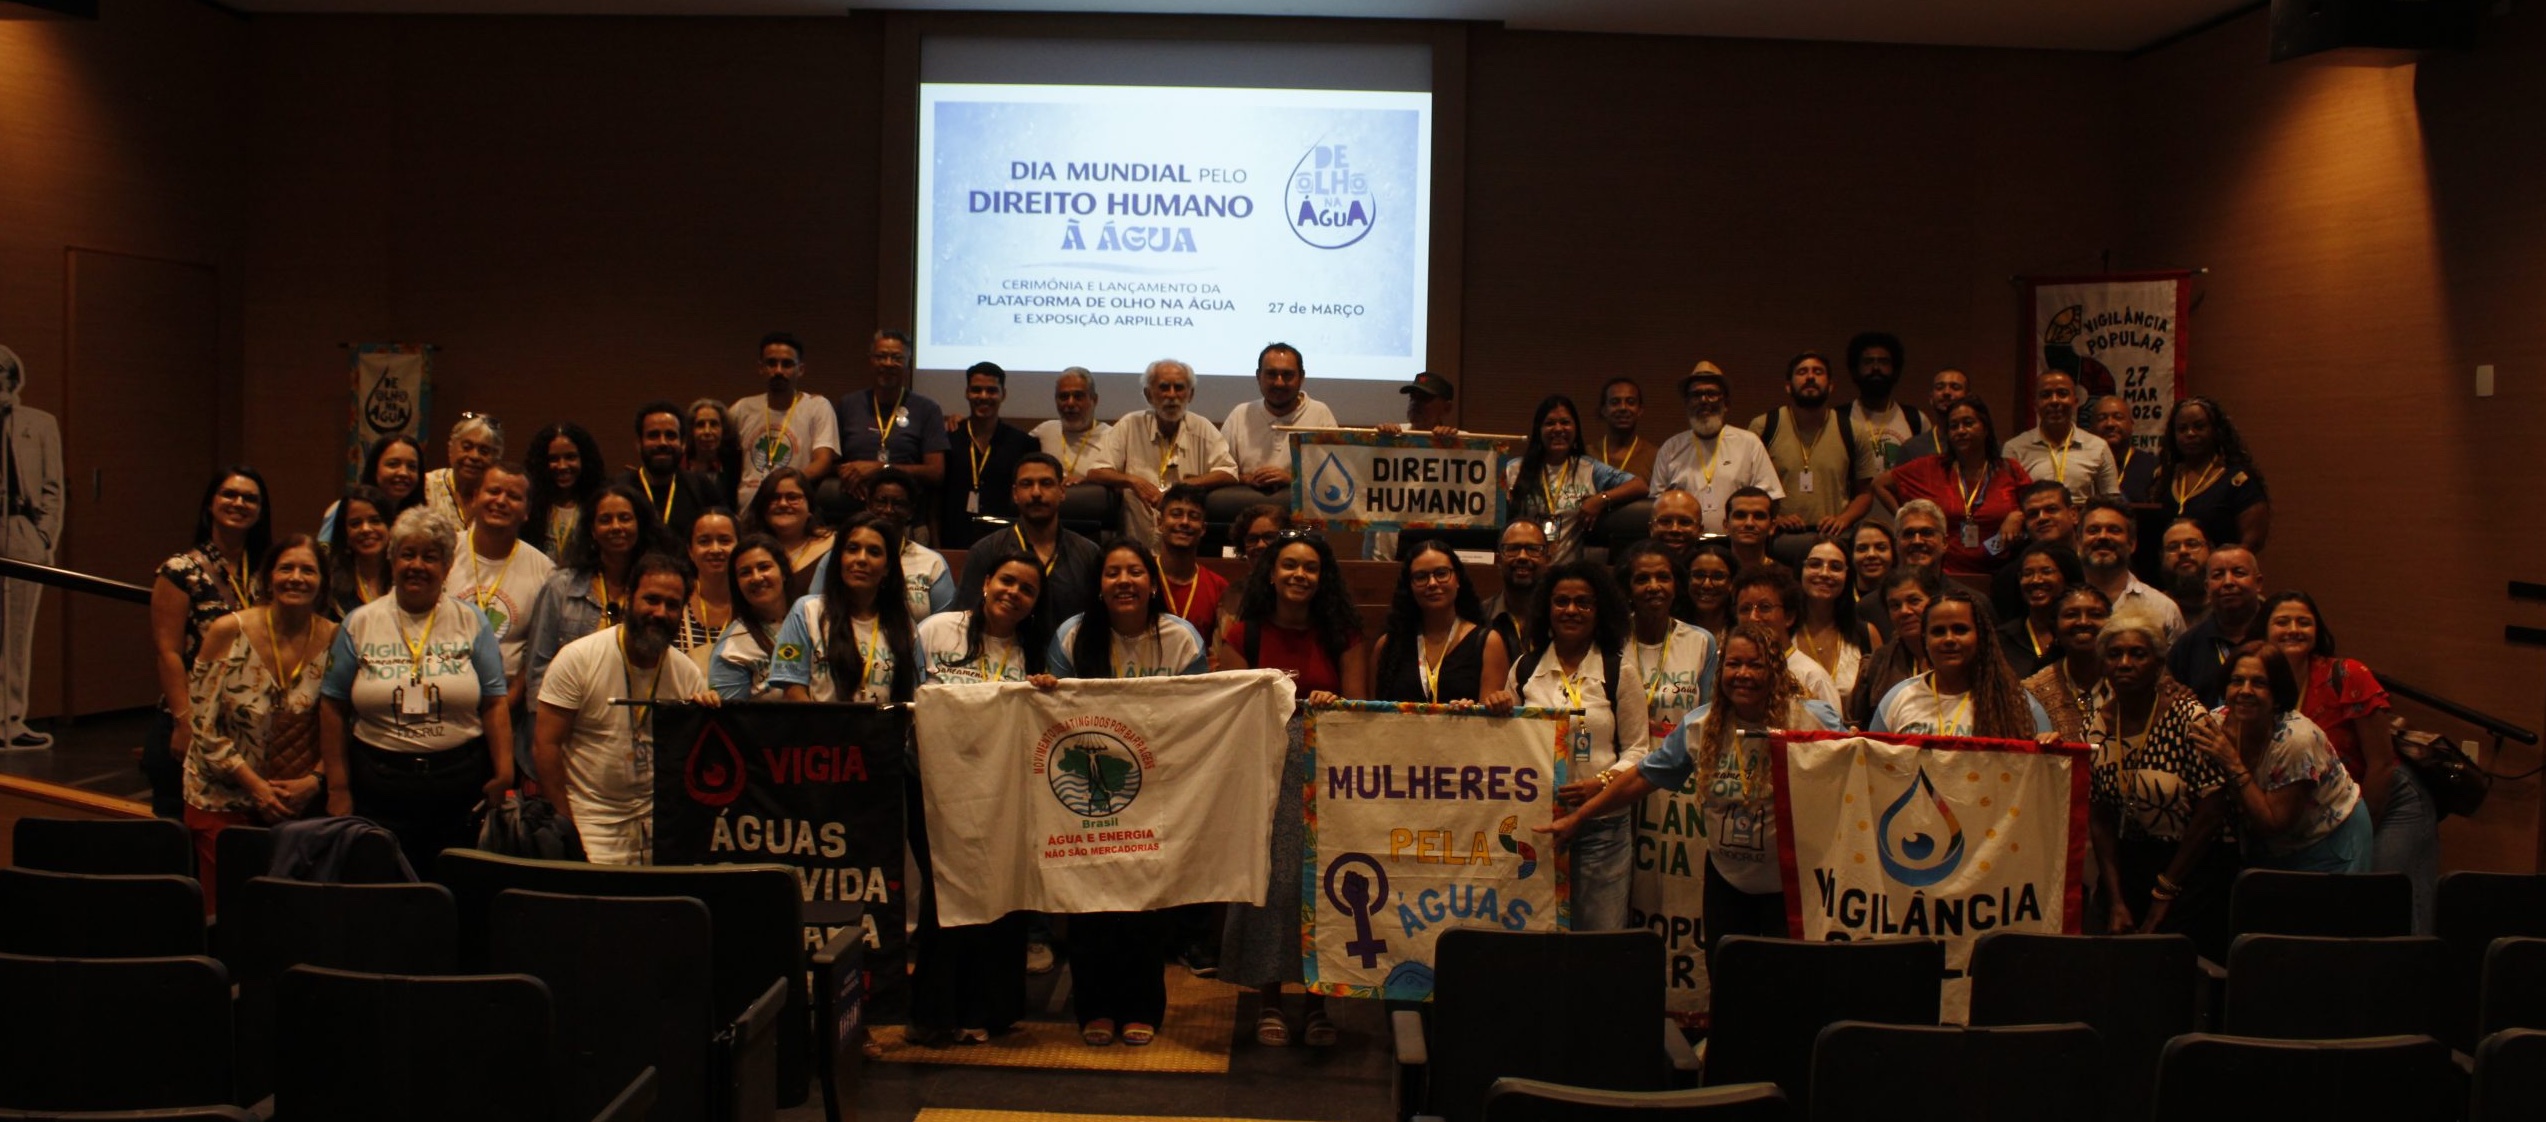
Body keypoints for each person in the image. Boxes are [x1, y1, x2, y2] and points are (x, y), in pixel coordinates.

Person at [1543, 622, 1844, 963]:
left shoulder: (1812, 720)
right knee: (1727, 977)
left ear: (1774, 670)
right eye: (1734, 664)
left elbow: (1860, 762)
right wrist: (1580, 818)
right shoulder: (1700, 725)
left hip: (1790, 884)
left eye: (1755, 665)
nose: (1743, 674)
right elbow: (1642, 777)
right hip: (1727, 881)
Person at [1035, 541, 1197, 1045]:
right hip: (1089, 793)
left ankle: (1142, 1006)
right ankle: (1095, 1007)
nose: (1124, 581)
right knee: (1091, 903)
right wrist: (1044, 691)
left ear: (1152, 583)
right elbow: (1054, 717)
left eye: (1135, 572)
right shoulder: (1073, 634)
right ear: (1098, 586)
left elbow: (1201, 712)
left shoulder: (1181, 638)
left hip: (1160, 789)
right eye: (1112, 573)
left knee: (1145, 904)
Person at [1214, 530, 1366, 1048]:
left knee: (1324, 886)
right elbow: (1230, 714)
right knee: (1273, 887)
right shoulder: (1244, 635)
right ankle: (1270, 1000)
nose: (1300, 575)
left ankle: (1319, 1004)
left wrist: (1334, 706)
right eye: (1290, 566)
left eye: (1311, 567)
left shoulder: (1342, 634)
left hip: (1329, 776)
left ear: (1323, 578)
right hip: (1266, 776)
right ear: (1272, 574)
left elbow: (1361, 711)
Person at [904, 551, 1052, 1046]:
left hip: (1003, 791)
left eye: (1027, 589)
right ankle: (934, 1014)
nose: (1014, 593)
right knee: (945, 895)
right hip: (933, 784)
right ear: (986, 582)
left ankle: (990, 1010)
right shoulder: (936, 631)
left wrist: (1046, 690)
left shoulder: (1035, 651)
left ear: (1035, 602)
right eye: (1007, 581)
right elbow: (908, 697)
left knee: (1000, 895)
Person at [319, 507, 515, 873]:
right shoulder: (359, 622)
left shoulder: (472, 620)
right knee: (383, 886)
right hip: (378, 785)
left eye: (430, 557)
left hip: (458, 786)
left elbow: (494, 701)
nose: (417, 566)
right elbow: (332, 705)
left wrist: (504, 773)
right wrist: (337, 787)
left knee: (454, 885)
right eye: (408, 554)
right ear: (392, 560)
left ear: (447, 566)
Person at [2257, 591, 2432, 927]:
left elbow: (2382, 764)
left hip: (2385, 796)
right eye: (2282, 622)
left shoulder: (2347, 674)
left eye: (2303, 622)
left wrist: (2361, 829)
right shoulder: (2257, 680)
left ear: (2317, 631)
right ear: (2263, 631)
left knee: (2388, 904)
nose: (2293, 629)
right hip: (2324, 803)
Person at [182, 535, 334, 906]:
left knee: (289, 913)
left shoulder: (336, 638)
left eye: (308, 570)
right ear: (268, 578)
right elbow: (202, 727)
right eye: (286, 568)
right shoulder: (226, 631)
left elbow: (343, 726)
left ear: (322, 582)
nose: (296, 578)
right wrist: (256, 787)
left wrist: (314, 781)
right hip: (223, 799)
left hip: (297, 802)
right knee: (228, 911)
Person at [533, 551, 711, 865]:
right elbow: (545, 746)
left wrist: (708, 717)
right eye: (651, 599)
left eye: (672, 605)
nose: (660, 612)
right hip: (589, 827)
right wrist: (566, 829)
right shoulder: (578, 659)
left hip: (659, 832)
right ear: (629, 597)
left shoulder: (688, 675)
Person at [1508, 561, 1650, 932]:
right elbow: (1505, 744)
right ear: (1547, 608)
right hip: (1537, 824)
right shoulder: (1525, 669)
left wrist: (1601, 783)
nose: (1571, 610)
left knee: (1598, 940)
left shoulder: (1619, 670)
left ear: (1600, 610)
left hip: (1603, 826)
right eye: (1562, 601)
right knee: (1536, 936)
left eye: (1583, 602)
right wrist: (1497, 707)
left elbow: (1638, 750)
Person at [2087, 609, 2236, 955]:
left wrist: (2166, 889)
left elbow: (2213, 810)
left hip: (2189, 866)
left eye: (2137, 654)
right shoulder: (2096, 726)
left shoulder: (2188, 717)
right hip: (2125, 866)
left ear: (2158, 664)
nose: (2125, 663)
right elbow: (2099, 816)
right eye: (2114, 654)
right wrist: (2116, 898)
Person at [150, 468, 272, 817]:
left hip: (246, 723)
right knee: (182, 825)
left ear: (261, 511)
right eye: (229, 494)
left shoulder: (268, 570)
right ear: (210, 504)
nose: (239, 503)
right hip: (193, 716)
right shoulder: (180, 570)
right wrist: (183, 721)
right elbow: (168, 652)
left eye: (250, 498)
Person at [2197, 642, 2370, 873]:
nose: (2245, 691)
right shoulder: (2216, 724)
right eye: (2237, 681)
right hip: (2270, 849)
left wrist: (2232, 762)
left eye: (2259, 683)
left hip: (2329, 842)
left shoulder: (2296, 740)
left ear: (2277, 694)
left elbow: (2274, 823)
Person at [522, 484, 669, 734]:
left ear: (640, 525)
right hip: (573, 720)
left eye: (625, 518)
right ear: (592, 529)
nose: (616, 527)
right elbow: (538, 667)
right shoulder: (561, 587)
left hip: (639, 719)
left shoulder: (659, 589)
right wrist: (546, 732)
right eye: (605, 519)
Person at [1083, 358, 1237, 548]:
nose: (1171, 395)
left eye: (1179, 388)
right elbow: (1096, 471)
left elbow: (1229, 472)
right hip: (1136, 547)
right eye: (1164, 387)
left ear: (1190, 394)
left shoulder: (1202, 427)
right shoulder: (1129, 425)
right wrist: (1132, 481)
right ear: (1148, 394)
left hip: (1186, 548)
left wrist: (1182, 488)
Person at [768, 513, 919, 706]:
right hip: (818, 725)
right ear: (839, 558)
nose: (861, 559)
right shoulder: (806, 612)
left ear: (887, 568)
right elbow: (793, 691)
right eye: (852, 549)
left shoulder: (905, 627)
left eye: (874, 552)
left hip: (884, 725)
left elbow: (914, 698)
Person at [1869, 589, 2054, 737]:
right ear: (1925, 639)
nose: (1949, 639)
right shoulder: (1898, 698)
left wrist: (2047, 746)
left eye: (1960, 629)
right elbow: (1872, 763)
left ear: (1980, 636)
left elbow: (2043, 766)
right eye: (1938, 632)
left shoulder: (2016, 703)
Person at [1873, 398, 2028, 575]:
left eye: (1968, 423)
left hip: (2000, 572)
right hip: (1943, 574)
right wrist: (1905, 518)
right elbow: (1879, 484)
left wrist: (2018, 515)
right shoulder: (1930, 468)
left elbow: (2036, 506)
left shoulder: (2009, 469)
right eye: (1954, 426)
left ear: (1985, 428)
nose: (1960, 431)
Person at [958, 453, 1103, 632]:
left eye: (1046, 483)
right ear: (1015, 494)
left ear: (1062, 491)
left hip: (1069, 649)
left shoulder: (1089, 554)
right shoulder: (985, 551)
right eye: (1026, 484)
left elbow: (1100, 621)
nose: (1036, 493)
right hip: (1001, 649)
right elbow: (964, 620)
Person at [450, 463, 555, 707]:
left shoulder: (546, 572)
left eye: (514, 496)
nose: (501, 501)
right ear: (474, 498)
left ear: (526, 511)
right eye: (493, 491)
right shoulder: (444, 552)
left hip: (507, 702)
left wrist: (507, 703)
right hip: (443, 695)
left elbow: (538, 651)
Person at [0, 346, 63, 749]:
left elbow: (53, 487)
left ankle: (9, 720)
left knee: (16, 630)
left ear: (12, 378)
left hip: (19, 526)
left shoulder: (38, 424)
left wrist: (42, 538)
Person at [1503, 394, 1644, 566]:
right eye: (1550, 423)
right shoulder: (1514, 469)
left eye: (1565, 422)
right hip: (1525, 567)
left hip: (1569, 572)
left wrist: (1601, 499)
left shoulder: (1589, 468)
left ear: (1575, 428)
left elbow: (1639, 485)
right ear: (1538, 430)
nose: (1558, 429)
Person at [1749, 352, 1872, 548]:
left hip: (1834, 538)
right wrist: (1774, 518)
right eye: (1802, 372)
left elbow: (1865, 493)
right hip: (1777, 538)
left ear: (1830, 385)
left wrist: (1844, 519)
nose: (1810, 377)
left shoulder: (1852, 430)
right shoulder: (1764, 426)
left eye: (1818, 372)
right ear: (1788, 386)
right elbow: (1747, 488)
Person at [1372, 539, 1512, 706]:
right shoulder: (1387, 645)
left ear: (1457, 579)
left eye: (1441, 573)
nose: (1432, 583)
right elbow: (1372, 715)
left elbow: (1491, 716)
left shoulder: (1488, 643)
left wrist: (1472, 713)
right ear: (1410, 586)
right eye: (1421, 577)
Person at [830, 329, 947, 523]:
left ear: (908, 363)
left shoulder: (927, 408)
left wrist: (882, 468)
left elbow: (936, 472)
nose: (888, 363)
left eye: (896, 358)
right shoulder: (849, 404)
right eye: (881, 357)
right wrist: (849, 474)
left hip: (905, 517)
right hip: (854, 514)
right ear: (870, 361)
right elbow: (830, 462)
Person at [1650, 363, 1780, 533]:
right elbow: (1657, 504)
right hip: (1684, 541)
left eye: (1711, 394)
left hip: (1736, 542)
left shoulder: (1749, 443)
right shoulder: (1670, 448)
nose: (1704, 400)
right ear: (1687, 403)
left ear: (1726, 403)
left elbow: (1769, 498)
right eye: (1696, 395)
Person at [1612, 540, 1716, 733]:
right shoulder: (1612, 640)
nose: (1654, 586)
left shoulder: (1701, 641)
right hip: (1624, 750)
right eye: (1642, 579)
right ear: (1627, 590)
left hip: (1683, 751)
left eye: (1663, 577)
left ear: (1676, 585)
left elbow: (1707, 717)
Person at [1219, 342, 1339, 508]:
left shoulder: (1320, 414)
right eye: (1271, 374)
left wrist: (1292, 479)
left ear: (1302, 377)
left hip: (1300, 513)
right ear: (1258, 376)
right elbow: (1221, 471)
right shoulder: (1240, 414)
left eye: (1287, 375)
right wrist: (1247, 479)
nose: (1279, 383)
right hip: (1247, 510)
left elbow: (1334, 476)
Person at [728, 331, 840, 508]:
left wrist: (783, 486)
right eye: (771, 363)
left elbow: (823, 462)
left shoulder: (817, 406)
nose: (778, 371)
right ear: (761, 368)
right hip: (747, 510)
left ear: (800, 369)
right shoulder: (742, 408)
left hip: (789, 505)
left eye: (787, 364)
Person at [2148, 396, 2269, 554]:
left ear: (2215, 431)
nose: (2190, 433)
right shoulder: (2163, 479)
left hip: (2220, 567)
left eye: (2199, 427)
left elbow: (2251, 543)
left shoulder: (2238, 481)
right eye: (2182, 429)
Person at [940, 362, 1036, 549]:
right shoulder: (949, 438)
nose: (983, 396)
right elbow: (936, 500)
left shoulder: (1023, 443)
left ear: (1003, 394)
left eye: (991, 391)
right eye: (976, 390)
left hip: (1006, 543)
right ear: (967, 393)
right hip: (953, 540)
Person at [1728, 565, 1842, 709]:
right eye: (1745, 609)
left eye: (1765, 607)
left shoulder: (1812, 678)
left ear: (1789, 617)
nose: (1753, 617)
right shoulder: (1731, 674)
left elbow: (1830, 723)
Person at [2004, 369, 2119, 505]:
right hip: (2036, 516)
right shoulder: (2015, 449)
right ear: (2035, 405)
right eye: (2046, 395)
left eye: (2062, 394)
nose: (2054, 401)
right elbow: (2006, 503)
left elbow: (2112, 502)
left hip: (2082, 517)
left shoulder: (2098, 447)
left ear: (2075, 402)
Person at [2169, 545, 2264, 707]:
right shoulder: (2187, 646)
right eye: (2218, 575)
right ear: (2207, 587)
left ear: (2258, 583)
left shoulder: (2275, 635)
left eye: (2238, 573)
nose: (2228, 582)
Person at [2076, 498, 2184, 641]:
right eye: (2093, 530)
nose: (2103, 536)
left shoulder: (2163, 608)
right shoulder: (2062, 604)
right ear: (2078, 542)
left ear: (2132, 543)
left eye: (2114, 530)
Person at [1848, 567, 1943, 727]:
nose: (1904, 611)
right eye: (1895, 605)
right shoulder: (1878, 662)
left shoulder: (1955, 655)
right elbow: (1861, 725)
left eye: (1914, 601)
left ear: (1935, 603)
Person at [618, 401, 722, 543]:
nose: (663, 442)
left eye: (670, 435)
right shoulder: (620, 490)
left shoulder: (701, 487)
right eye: (653, 435)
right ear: (638, 444)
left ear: (683, 444)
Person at [707, 535, 794, 701]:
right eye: (745, 573)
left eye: (764, 567)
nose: (756, 577)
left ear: (783, 572)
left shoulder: (813, 617)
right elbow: (731, 716)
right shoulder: (731, 648)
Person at [2022, 584, 2114, 743]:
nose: (2084, 622)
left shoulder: (2129, 682)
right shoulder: (2032, 691)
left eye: (2095, 614)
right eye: (2071, 615)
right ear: (2055, 628)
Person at [862, 469, 956, 620]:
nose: (888, 510)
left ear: (911, 511)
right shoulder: (845, 555)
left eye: (898, 504)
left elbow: (944, 624)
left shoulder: (933, 563)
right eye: (881, 501)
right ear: (868, 506)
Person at [1796, 537, 1881, 699]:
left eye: (1835, 567)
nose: (1824, 573)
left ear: (1847, 576)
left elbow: (1878, 700)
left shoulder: (1867, 634)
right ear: (1800, 570)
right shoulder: (1782, 631)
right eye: (1815, 564)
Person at [1988, 480, 2081, 622]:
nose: (2042, 518)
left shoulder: (2096, 561)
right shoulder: (2009, 578)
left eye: (2051, 509)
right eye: (2033, 514)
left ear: (2073, 514)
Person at [1840, 331, 1926, 478]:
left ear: (1895, 370)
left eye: (1883, 362)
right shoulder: (1840, 419)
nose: (1876, 368)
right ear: (1855, 370)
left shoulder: (1916, 419)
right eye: (1868, 362)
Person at [741, 467, 831, 603]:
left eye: (792, 497)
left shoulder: (834, 545)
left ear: (810, 507)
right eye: (774, 498)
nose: (783, 504)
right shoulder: (745, 549)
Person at [1998, 541, 2086, 676]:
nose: (2036, 580)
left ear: (2068, 577)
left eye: (2046, 572)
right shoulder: (2001, 640)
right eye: (2028, 573)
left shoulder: (2085, 633)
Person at [319, 434, 425, 541]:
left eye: (412, 467)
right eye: (393, 464)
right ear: (374, 468)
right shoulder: (344, 508)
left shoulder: (422, 518)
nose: (404, 473)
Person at [525, 422, 606, 560]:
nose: (562, 466)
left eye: (570, 457)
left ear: (584, 459)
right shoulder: (529, 507)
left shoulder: (599, 504)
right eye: (553, 459)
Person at [1155, 484, 1227, 633]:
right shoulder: (1141, 577)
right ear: (1160, 523)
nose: (1184, 522)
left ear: (1203, 529)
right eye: (1176, 514)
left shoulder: (1218, 587)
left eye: (1193, 517)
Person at [677, 509, 739, 675]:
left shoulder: (751, 603)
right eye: (704, 542)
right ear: (690, 551)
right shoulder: (675, 601)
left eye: (724, 540)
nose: (715, 549)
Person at [321, 485, 393, 622]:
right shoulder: (330, 583)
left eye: (375, 521)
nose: (365, 529)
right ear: (345, 533)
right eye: (355, 524)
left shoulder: (403, 577)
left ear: (390, 526)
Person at [1030, 367, 1111, 484]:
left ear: (1094, 400)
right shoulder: (1045, 430)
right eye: (1064, 397)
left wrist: (1087, 482)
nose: (1070, 403)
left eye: (1078, 396)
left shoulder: (1110, 436)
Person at [421, 413, 503, 529]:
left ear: (496, 458)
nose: (474, 456)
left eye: (484, 451)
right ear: (450, 448)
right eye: (466, 447)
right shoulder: (425, 485)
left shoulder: (499, 497)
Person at [1480, 519, 1548, 652]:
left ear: (1548, 560)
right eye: (1513, 549)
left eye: (1533, 549)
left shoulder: (1560, 618)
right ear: (1498, 560)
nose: (1522, 556)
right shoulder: (1478, 617)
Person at [2087, 394, 2156, 503]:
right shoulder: (2082, 462)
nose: (2110, 424)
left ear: (2131, 424)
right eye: (2102, 418)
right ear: (2091, 427)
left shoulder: (2152, 466)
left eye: (2118, 417)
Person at [1896, 367, 1969, 462]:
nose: (1946, 392)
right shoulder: (1912, 449)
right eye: (1940, 387)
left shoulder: (1980, 445)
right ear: (1931, 398)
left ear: (1968, 397)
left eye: (1955, 387)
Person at [1593, 376, 1657, 482]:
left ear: (1640, 410)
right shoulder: (1587, 455)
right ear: (1604, 410)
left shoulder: (1655, 457)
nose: (1623, 407)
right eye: (1615, 402)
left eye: (1630, 402)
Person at [685, 397, 744, 509]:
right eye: (700, 425)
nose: (707, 431)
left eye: (714, 424)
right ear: (691, 430)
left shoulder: (735, 466)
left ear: (723, 429)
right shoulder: (681, 465)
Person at [1847, 520, 1898, 637]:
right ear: (1851, 555)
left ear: (1894, 554)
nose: (1871, 554)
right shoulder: (1841, 598)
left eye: (1881, 548)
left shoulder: (1902, 600)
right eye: (1862, 548)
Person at [2158, 519, 2213, 623]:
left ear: (2210, 550)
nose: (2183, 551)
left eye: (2192, 544)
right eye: (2173, 547)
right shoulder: (2152, 608)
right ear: (2162, 557)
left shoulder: (2229, 604)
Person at [1683, 541, 1738, 640]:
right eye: (1699, 575)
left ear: (1732, 582)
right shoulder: (1671, 630)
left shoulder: (1742, 630)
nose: (1707, 585)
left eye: (1718, 576)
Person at [1723, 487, 1777, 573]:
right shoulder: (1711, 574)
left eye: (1759, 516)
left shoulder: (1784, 577)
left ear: (1772, 527)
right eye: (1740, 516)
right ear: (1726, 525)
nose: (1749, 523)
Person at [1892, 498, 1949, 577]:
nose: (1917, 541)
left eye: (1927, 533)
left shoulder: (1960, 586)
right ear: (1896, 543)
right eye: (1909, 534)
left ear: (1944, 542)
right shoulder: (1882, 585)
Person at [1647, 489, 1702, 565]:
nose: (1674, 529)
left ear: (1700, 530)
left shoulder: (1712, 568)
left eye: (1685, 522)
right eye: (1665, 521)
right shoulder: (1634, 568)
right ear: (1651, 528)